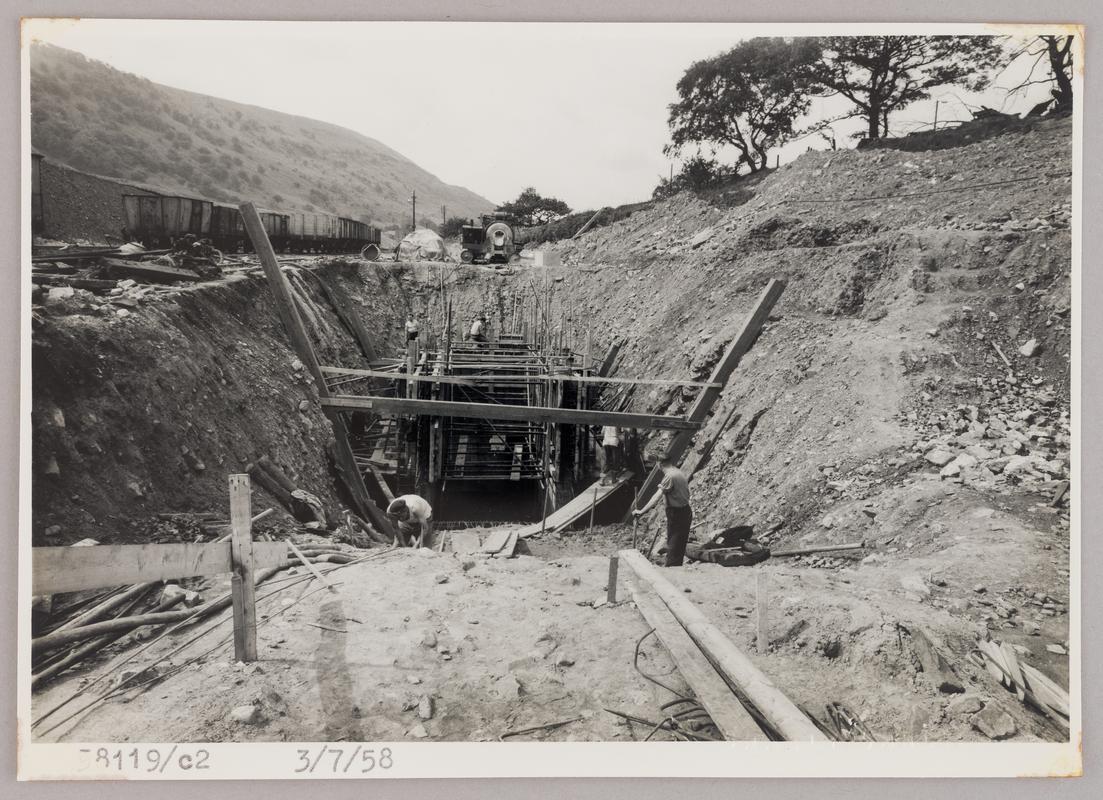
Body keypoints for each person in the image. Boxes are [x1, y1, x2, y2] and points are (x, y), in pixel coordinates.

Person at [632, 455, 692, 567]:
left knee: (674, 543)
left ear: (659, 464)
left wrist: (641, 511)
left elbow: (656, 497)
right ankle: (675, 566)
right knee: (679, 543)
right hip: (684, 510)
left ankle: (671, 569)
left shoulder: (669, 476)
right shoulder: (677, 472)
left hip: (677, 513)